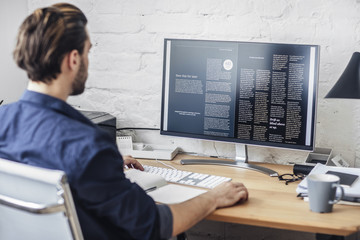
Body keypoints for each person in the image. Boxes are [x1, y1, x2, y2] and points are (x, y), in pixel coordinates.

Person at [0, 3, 249, 240]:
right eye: (88, 51)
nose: (88, 60)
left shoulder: (4, 121)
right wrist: (214, 197)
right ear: (73, 59)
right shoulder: (88, 145)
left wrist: (104, 169)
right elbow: (155, 224)